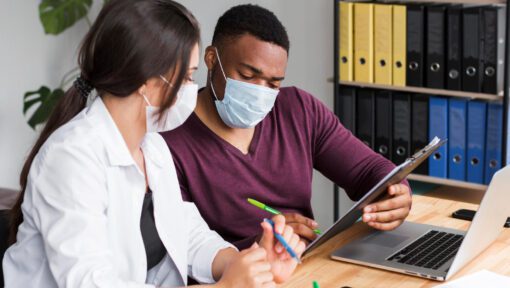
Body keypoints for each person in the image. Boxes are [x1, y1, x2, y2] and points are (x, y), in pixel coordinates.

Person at [3, 1, 304, 287]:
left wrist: (251, 264)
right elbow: (92, 283)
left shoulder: (153, 148)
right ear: (145, 80)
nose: (192, 90)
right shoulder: (71, 158)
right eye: (187, 77)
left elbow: (187, 232)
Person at [161, 4, 412, 250]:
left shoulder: (299, 110)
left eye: (273, 84)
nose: (260, 91)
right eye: (248, 76)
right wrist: (260, 244)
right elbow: (181, 252)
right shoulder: (169, 140)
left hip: (307, 268)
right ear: (212, 59)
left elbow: (369, 170)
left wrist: (395, 193)